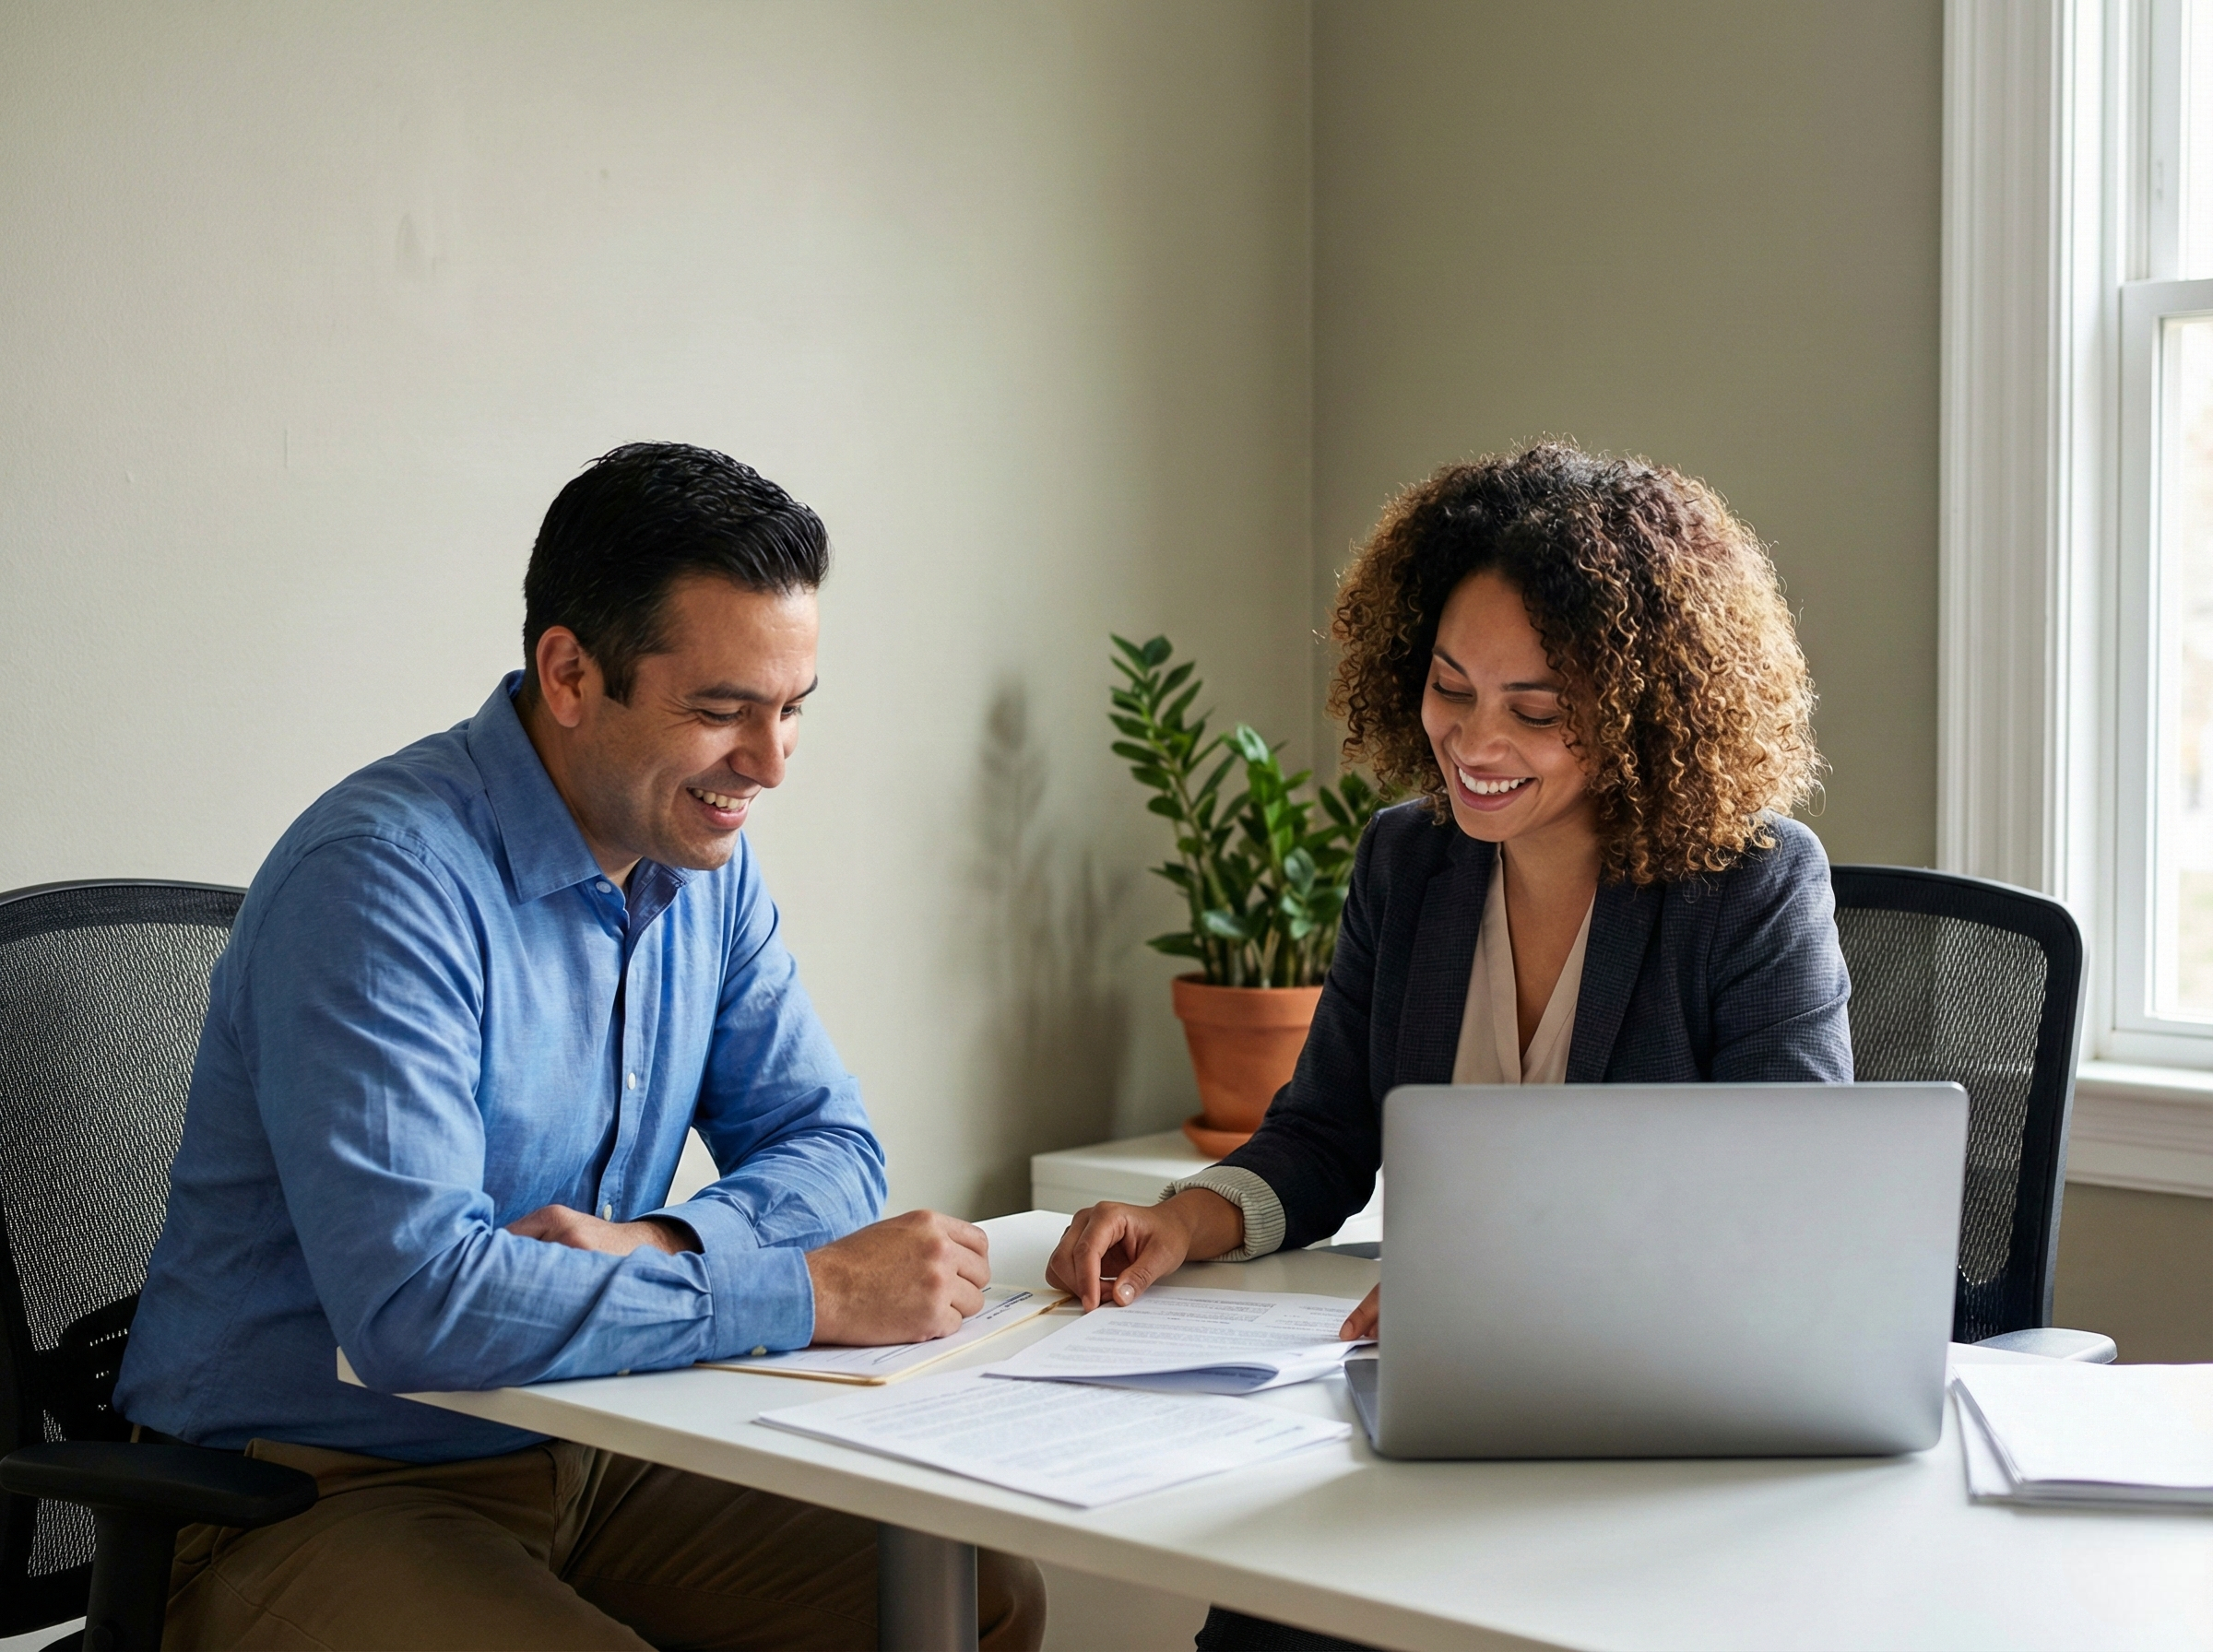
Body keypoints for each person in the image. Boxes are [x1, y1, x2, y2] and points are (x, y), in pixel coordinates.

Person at [114, 442, 1045, 1651]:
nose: (766, 766)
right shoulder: (381, 885)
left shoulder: (704, 861)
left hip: (595, 1439)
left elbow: (830, 1145)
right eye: (720, 713)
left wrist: (661, 1242)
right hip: (304, 1492)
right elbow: (415, 1307)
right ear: (567, 673)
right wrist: (806, 1290)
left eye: (790, 711)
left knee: (978, 1597)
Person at [1045, 442, 1850, 1652]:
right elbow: (1324, 1130)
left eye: (1536, 709)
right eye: (1450, 687)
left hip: (1652, 1445)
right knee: (1269, 1626)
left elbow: (1777, 1209)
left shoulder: (1749, 886)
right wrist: (1185, 1220)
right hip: (1426, 1421)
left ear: (1641, 711)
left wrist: (1504, 1294)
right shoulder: (1408, 862)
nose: (1475, 741)